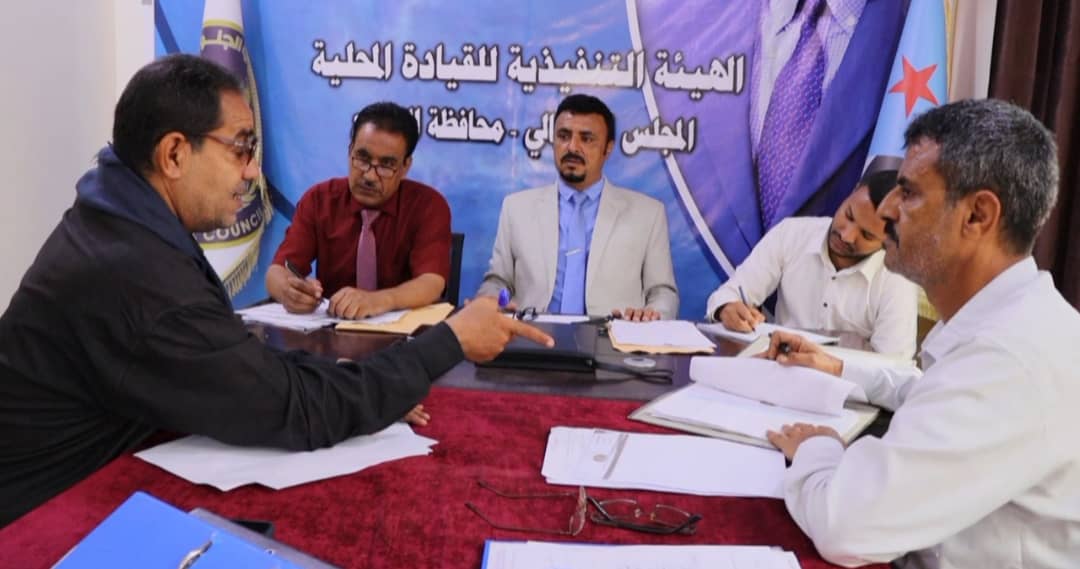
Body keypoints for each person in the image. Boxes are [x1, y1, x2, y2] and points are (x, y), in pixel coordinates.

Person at [0, 54, 552, 528]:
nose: (251, 172)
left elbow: (239, 363)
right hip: (42, 520)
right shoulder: (139, 275)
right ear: (174, 155)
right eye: (240, 150)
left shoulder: (119, 218)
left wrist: (361, 381)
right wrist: (448, 342)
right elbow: (290, 407)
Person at [763, 99, 1079, 568]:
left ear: (977, 216)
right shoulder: (1016, 320)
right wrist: (836, 366)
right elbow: (926, 392)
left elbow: (844, 527)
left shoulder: (1007, 359)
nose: (887, 208)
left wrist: (817, 448)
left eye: (908, 193)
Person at [478, 94, 679, 321]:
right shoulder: (517, 208)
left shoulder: (647, 214)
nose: (572, 147)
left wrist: (650, 317)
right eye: (563, 136)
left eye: (587, 138)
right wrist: (494, 300)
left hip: (612, 336)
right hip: (531, 334)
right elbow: (498, 281)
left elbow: (663, 293)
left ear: (608, 148)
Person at [705, 168, 918, 358]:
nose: (847, 235)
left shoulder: (898, 278)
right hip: (777, 370)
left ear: (890, 241)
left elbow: (894, 367)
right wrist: (727, 308)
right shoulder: (792, 234)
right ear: (851, 193)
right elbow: (729, 293)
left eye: (867, 235)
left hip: (847, 386)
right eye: (849, 215)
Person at [266, 102, 451, 319]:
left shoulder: (428, 205)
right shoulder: (319, 200)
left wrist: (379, 300)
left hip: (404, 333)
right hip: (331, 330)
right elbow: (276, 272)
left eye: (386, 165)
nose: (370, 176)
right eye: (362, 159)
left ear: (405, 167)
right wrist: (288, 291)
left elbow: (432, 282)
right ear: (349, 152)